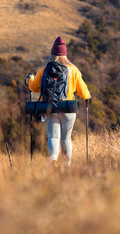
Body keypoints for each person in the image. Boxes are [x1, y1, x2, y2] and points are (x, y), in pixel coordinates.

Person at [26, 36, 91, 167]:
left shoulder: (43, 69)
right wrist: (88, 97)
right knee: (66, 138)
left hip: (49, 108)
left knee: (53, 137)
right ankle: (67, 165)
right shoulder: (73, 69)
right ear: (65, 53)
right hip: (68, 107)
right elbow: (83, 91)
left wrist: (30, 79)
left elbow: (34, 88)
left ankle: (53, 162)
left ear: (52, 52)